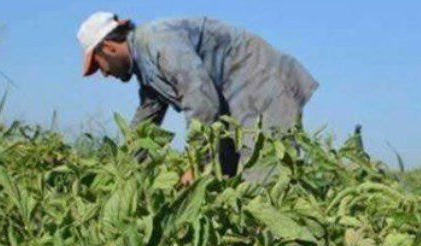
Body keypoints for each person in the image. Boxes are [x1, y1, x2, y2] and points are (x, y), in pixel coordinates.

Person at [76, 11, 319, 183]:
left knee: (264, 178)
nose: (105, 74)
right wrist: (121, 174)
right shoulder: (145, 67)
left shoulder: (157, 41)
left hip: (261, 84)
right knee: (222, 181)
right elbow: (144, 124)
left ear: (108, 47)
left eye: (99, 65)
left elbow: (200, 98)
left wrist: (196, 164)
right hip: (234, 100)